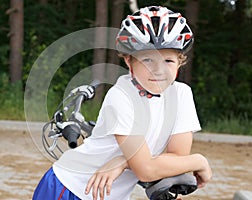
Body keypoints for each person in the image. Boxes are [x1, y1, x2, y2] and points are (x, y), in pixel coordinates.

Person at [33, 5, 212, 200]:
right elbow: (146, 170)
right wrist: (198, 161)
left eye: (168, 60)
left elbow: (175, 159)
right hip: (71, 188)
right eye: (147, 60)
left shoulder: (182, 94)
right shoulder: (121, 96)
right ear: (129, 61)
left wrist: (124, 162)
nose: (158, 70)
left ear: (180, 61)